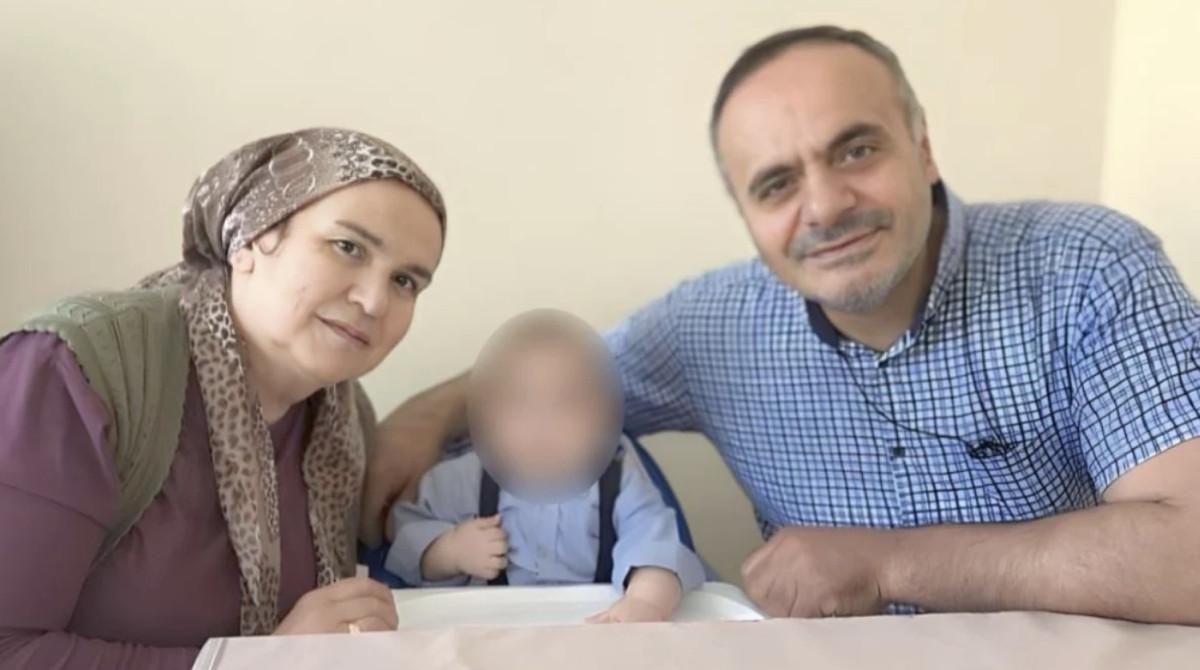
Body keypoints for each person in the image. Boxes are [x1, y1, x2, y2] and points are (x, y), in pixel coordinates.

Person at [360, 26, 1200, 623]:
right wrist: (421, 418)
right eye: (775, 185)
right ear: (746, 215)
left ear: (923, 147)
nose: (825, 206)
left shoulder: (1088, 268)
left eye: (857, 150)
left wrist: (887, 566)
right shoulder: (706, 328)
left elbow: (1190, 555)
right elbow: (555, 379)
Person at [0, 128, 446, 669]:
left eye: (405, 282)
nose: (374, 300)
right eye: (347, 247)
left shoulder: (344, 423)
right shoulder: (75, 373)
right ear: (251, 238)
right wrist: (259, 662)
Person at [385, 310, 705, 623]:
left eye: (566, 404)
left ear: (602, 416)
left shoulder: (620, 477)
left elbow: (655, 544)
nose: (542, 425)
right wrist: (450, 550)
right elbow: (405, 537)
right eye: (519, 404)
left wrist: (645, 601)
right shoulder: (463, 478)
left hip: (594, 628)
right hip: (491, 631)